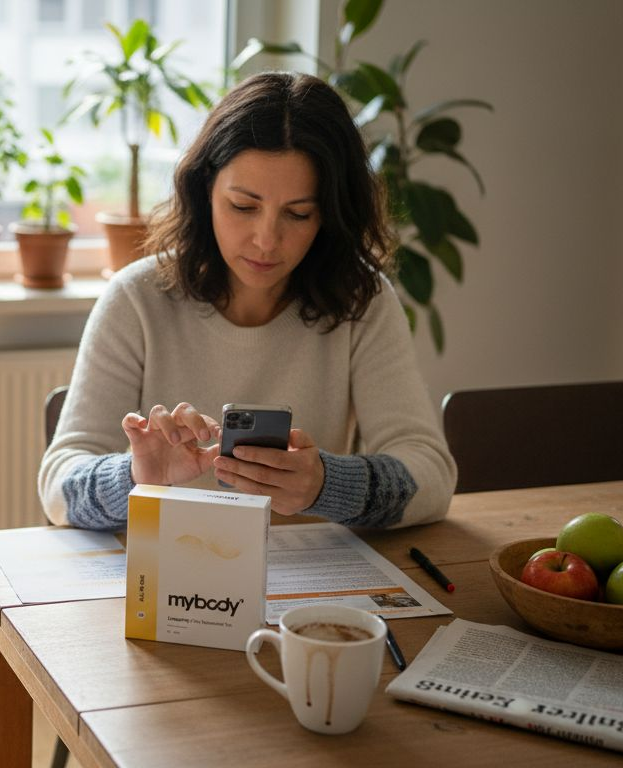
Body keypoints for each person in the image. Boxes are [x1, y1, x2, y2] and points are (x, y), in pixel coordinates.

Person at [38, 71, 457, 531]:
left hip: (309, 572)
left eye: (298, 213)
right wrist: (136, 478)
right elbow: (59, 488)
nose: (266, 240)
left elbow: (433, 477)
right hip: (167, 566)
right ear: (205, 191)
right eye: (243, 206)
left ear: (329, 215)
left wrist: (326, 484)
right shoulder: (136, 298)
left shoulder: (363, 301)